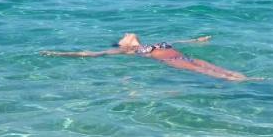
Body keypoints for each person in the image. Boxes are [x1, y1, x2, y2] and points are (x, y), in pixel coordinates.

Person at [41, 33, 258, 82]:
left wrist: (197, 41)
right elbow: (90, 54)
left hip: (183, 55)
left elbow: (179, 42)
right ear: (123, 44)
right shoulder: (125, 50)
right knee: (206, 71)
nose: (126, 34)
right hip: (171, 61)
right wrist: (58, 54)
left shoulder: (151, 43)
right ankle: (236, 81)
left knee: (213, 66)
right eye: (122, 37)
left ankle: (244, 78)